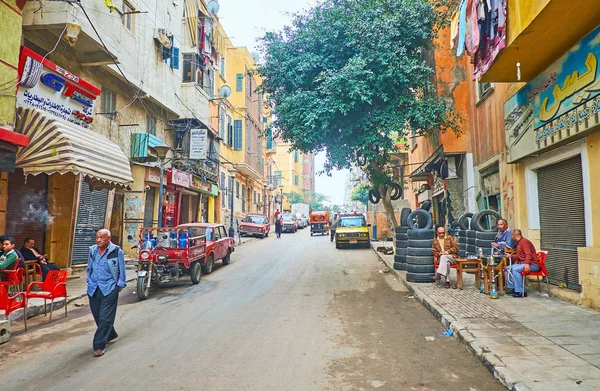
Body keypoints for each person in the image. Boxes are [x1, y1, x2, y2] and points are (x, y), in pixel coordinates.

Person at [87, 229, 127, 357]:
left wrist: (119, 285)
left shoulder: (116, 251)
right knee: (97, 315)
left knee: (105, 317)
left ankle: (98, 345)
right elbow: (89, 267)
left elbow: (121, 268)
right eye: (97, 237)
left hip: (109, 288)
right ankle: (110, 334)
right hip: (94, 287)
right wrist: (88, 281)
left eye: (102, 238)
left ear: (108, 238)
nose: (98, 240)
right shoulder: (93, 250)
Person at [505, 229, 540, 297]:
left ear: (514, 235)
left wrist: (527, 264)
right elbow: (520, 255)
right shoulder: (519, 242)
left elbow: (528, 254)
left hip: (533, 264)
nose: (511, 237)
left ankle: (521, 291)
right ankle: (513, 287)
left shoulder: (524, 242)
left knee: (515, 269)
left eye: (512, 235)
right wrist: (511, 255)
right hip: (524, 263)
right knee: (508, 268)